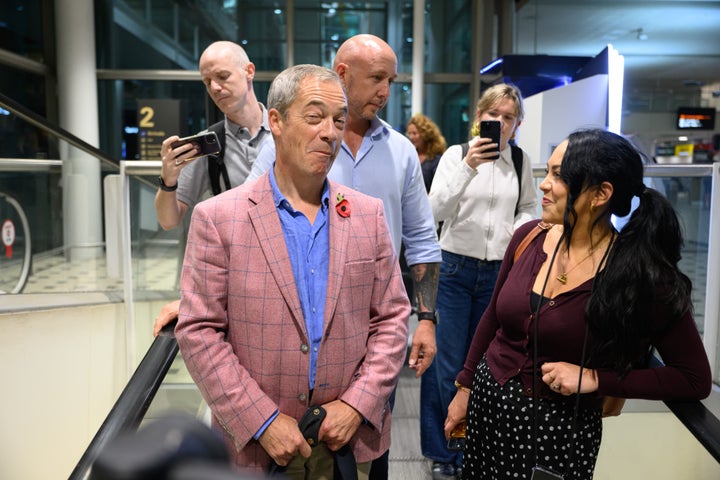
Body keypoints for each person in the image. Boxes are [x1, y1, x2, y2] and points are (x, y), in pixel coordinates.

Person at [175, 64, 411, 478]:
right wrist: (262, 420)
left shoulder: (367, 215)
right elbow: (199, 331)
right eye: (315, 116)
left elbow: (391, 319)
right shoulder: (218, 218)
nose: (330, 133)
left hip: (347, 446)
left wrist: (358, 403)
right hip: (258, 451)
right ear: (277, 121)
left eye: (339, 121)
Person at [443, 128, 712, 480]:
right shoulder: (529, 238)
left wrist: (597, 379)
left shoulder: (638, 276)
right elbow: (493, 316)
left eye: (559, 175)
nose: (543, 184)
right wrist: (464, 389)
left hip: (558, 436)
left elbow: (693, 379)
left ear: (601, 193)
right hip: (487, 412)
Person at [246, 35, 442, 478]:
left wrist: (426, 318)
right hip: (296, 334)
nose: (385, 91)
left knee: (370, 451)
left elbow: (422, 241)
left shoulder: (401, 151)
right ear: (342, 73)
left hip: (371, 335)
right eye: (376, 78)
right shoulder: (284, 146)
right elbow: (248, 218)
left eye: (391, 80)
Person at [423, 83, 537, 478]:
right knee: (449, 364)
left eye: (508, 117)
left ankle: (474, 446)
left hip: (498, 273)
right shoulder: (456, 155)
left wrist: (512, 237)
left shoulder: (520, 162)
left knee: (485, 366)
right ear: (479, 118)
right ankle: (445, 452)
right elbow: (434, 208)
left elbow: (529, 210)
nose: (500, 123)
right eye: (494, 115)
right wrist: (469, 167)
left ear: (517, 124)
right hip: (454, 268)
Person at [152, 40, 272, 336]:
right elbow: (168, 220)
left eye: (222, 76)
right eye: (207, 82)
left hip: (284, 270)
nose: (215, 88)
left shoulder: (286, 134)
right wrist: (168, 179)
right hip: (236, 281)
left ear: (249, 71)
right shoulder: (207, 144)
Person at [406, 113, 447, 192]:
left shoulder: (436, 160)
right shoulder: (410, 156)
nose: (411, 137)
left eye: (414, 133)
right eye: (409, 133)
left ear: (425, 134)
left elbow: (439, 189)